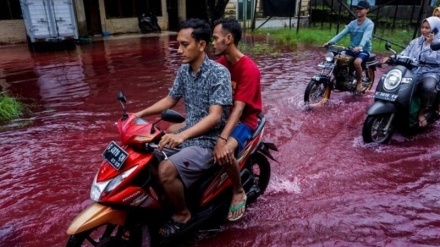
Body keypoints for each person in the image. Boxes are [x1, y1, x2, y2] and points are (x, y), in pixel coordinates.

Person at [135, 18, 232, 237]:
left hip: (209, 140)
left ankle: (182, 213)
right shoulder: (184, 70)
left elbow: (215, 117)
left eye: (184, 44)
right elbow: (170, 100)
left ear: (201, 45)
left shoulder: (218, 73)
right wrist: (139, 114)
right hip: (187, 134)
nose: (179, 50)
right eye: (178, 44)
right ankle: (167, 199)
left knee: (166, 170)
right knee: (148, 158)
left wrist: (182, 134)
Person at [212, 18, 262, 221]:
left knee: (224, 153)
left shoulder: (249, 69)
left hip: (245, 121)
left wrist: (223, 139)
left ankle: (238, 189)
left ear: (229, 38)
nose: (212, 43)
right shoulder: (221, 64)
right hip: (224, 115)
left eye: (215, 39)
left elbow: (240, 109)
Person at [383, 17, 440, 127]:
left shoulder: (438, 44)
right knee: (397, 82)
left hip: (432, 72)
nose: (424, 30)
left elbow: (430, 58)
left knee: (428, 86)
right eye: (422, 27)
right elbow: (405, 53)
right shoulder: (416, 42)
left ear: (435, 29)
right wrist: (392, 58)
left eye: (427, 28)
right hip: (415, 70)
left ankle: (422, 112)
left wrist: (429, 44)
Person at [324, 0, 374, 93]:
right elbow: (342, 34)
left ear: (367, 10)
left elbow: (366, 36)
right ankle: (340, 78)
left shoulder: (369, 24)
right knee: (337, 58)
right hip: (352, 48)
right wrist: (330, 42)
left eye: (361, 9)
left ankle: (359, 82)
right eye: (357, 8)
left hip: (364, 49)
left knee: (357, 62)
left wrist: (360, 46)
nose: (358, 10)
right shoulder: (352, 23)